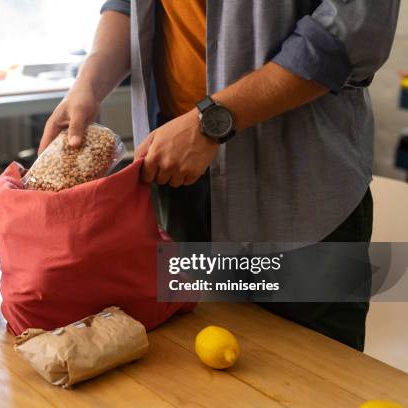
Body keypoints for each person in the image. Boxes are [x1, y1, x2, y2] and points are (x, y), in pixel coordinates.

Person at [38, 1, 400, 351]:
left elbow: (352, 30)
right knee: (202, 374)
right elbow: (127, 6)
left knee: (325, 381)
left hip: (302, 195)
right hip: (180, 187)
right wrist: (89, 82)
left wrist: (210, 123)